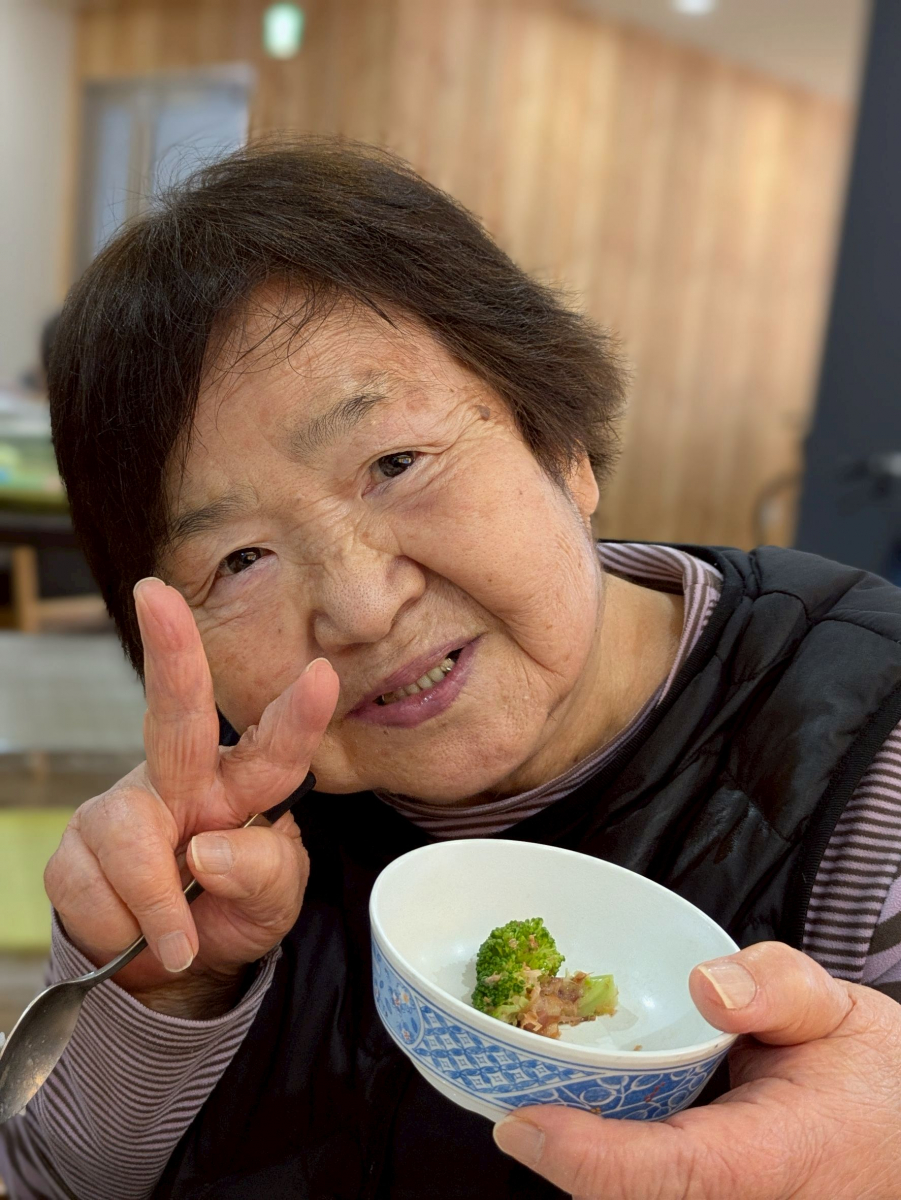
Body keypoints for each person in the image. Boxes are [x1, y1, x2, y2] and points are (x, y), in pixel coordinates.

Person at [2, 139, 901, 1200]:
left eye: (395, 463)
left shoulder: (867, 762)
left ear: (560, 443)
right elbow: (53, 1180)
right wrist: (169, 988)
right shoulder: (227, 819)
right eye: (239, 560)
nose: (360, 606)